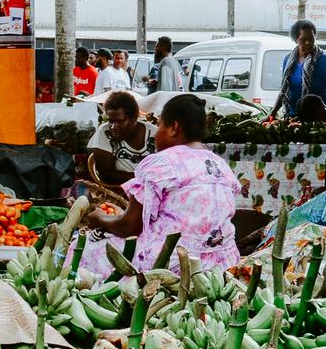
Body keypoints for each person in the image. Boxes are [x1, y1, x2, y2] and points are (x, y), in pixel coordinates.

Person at [83, 94, 240, 272]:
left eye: (159, 126)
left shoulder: (160, 163)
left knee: (85, 246)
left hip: (172, 262)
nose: (156, 132)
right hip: (223, 262)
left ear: (173, 128)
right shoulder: (220, 164)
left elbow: (129, 227)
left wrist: (99, 218)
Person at [271, 20, 326, 119]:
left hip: (318, 119)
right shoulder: (288, 60)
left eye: (311, 39)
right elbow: (284, 89)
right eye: (304, 39)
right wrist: (273, 113)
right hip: (292, 118)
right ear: (296, 39)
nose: (308, 43)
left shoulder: (324, 60)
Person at [88, 91, 157, 185]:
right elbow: (106, 176)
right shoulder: (104, 132)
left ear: (134, 118)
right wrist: (144, 179)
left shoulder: (155, 133)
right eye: (110, 121)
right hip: (120, 191)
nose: (113, 126)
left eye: (120, 121)